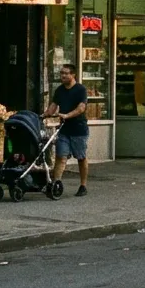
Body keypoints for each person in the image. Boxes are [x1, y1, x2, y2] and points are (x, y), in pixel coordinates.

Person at [45, 64, 90, 196]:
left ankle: (83, 185)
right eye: (61, 73)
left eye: (66, 73)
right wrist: (44, 115)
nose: (63, 76)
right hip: (64, 129)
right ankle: (56, 184)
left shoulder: (80, 90)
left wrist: (67, 115)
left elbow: (81, 108)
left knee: (81, 158)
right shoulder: (59, 90)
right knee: (61, 156)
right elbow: (53, 106)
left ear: (73, 75)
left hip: (79, 129)